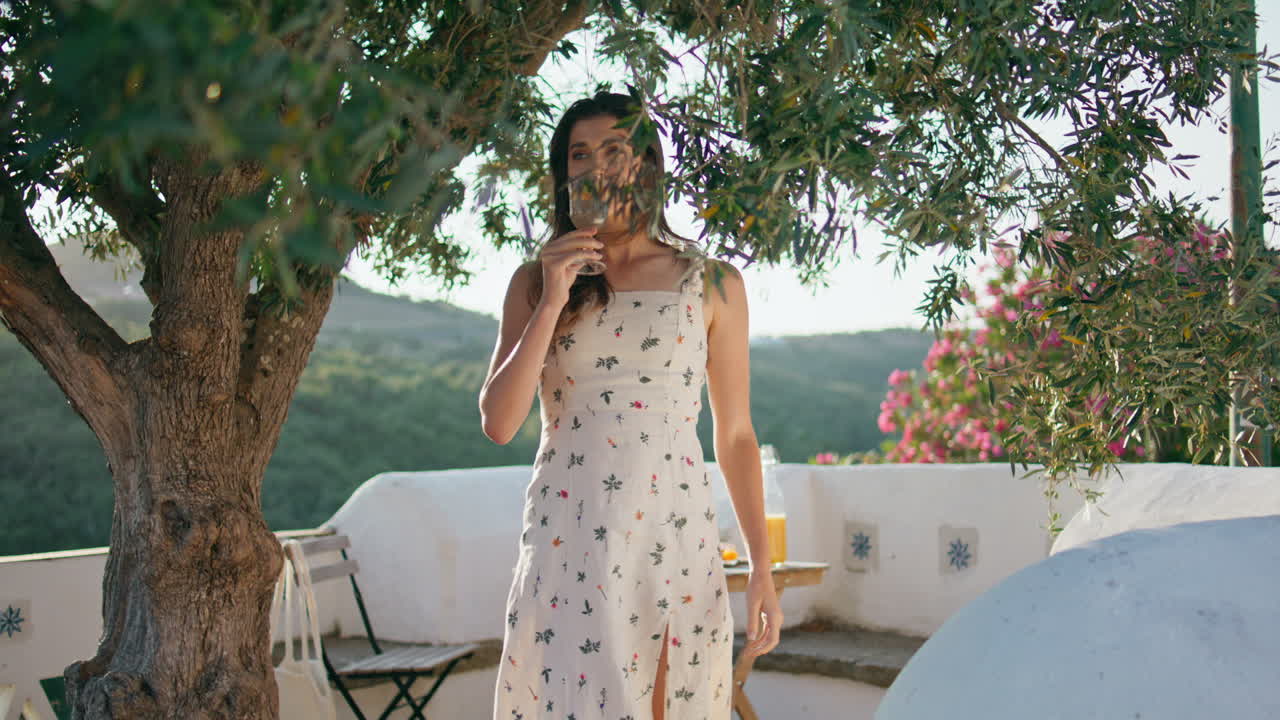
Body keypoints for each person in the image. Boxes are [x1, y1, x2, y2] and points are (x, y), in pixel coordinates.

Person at [479, 90, 781, 720]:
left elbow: (736, 436)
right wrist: (554, 294)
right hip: (571, 539)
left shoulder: (713, 281)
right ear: (564, 176)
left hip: (673, 536)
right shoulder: (534, 281)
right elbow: (500, 423)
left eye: (613, 150)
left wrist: (761, 569)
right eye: (579, 154)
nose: (594, 168)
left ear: (645, 165)